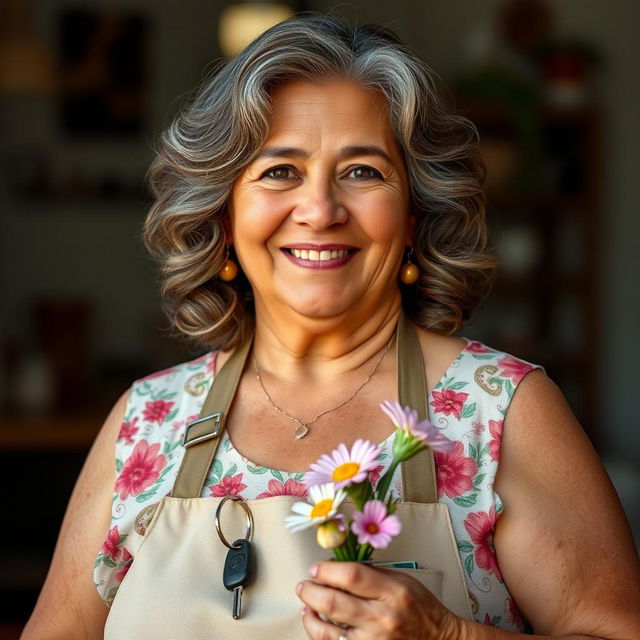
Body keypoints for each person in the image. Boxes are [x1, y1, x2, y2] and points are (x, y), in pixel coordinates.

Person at [23, 14, 640, 640]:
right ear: (225, 212)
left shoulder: (499, 410)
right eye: (279, 171)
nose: (319, 210)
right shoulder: (147, 422)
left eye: (363, 172)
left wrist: (450, 637)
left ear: (413, 216)